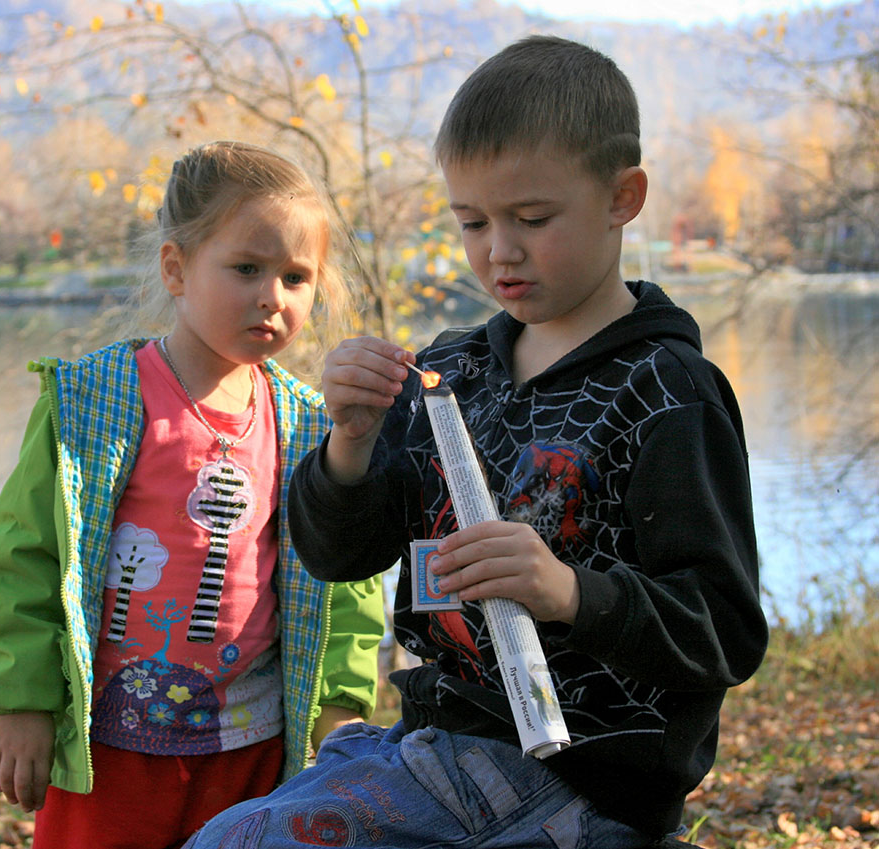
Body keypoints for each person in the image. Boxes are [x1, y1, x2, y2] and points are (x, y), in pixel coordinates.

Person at [180, 36, 768, 847]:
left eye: (532, 218)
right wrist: (349, 443)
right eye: (472, 221)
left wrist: (567, 591)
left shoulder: (668, 389)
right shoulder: (448, 371)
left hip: (588, 787)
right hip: (437, 750)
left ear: (622, 197)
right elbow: (340, 554)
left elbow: (724, 631)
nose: (500, 250)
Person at [0, 140, 385, 849]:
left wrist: (338, 707)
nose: (271, 297)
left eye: (295, 276)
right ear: (177, 267)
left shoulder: (309, 424)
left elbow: (342, 578)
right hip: (114, 752)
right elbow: (26, 557)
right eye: (246, 268)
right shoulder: (97, 402)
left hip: (251, 750)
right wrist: (23, 700)